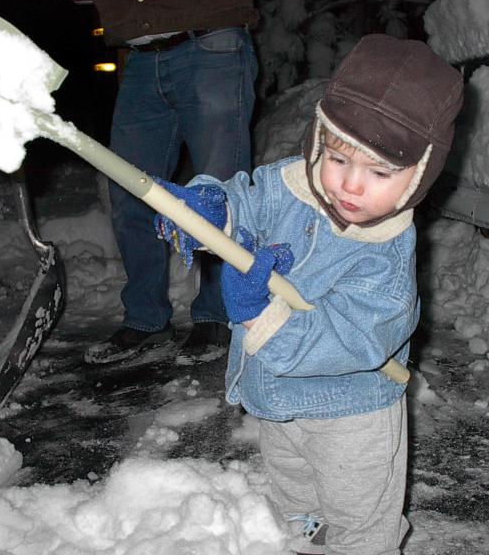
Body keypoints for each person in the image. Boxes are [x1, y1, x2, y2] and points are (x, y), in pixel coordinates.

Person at [154, 34, 463, 554]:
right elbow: (247, 202)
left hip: (353, 414)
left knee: (359, 517)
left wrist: (259, 317)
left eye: (380, 172)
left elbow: (353, 340)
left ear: (418, 177)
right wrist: (211, 209)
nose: (351, 186)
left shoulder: (386, 252)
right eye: (339, 159)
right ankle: (305, 536)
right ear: (320, 139)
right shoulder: (292, 185)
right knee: (293, 492)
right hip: (278, 402)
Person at [0, 0, 291, 362]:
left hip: (211, 45)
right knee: (130, 195)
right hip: (138, 60)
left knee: (217, 196)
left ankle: (218, 315)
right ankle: (146, 318)